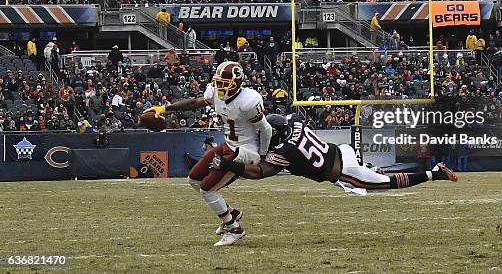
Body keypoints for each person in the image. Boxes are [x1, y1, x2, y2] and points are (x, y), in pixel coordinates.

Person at [144, 61, 272, 246]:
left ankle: (234, 228)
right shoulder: (215, 93)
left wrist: (263, 156)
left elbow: (265, 129)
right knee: (194, 179)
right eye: (218, 82)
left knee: (207, 189)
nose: (219, 87)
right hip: (229, 145)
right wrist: (165, 108)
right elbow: (195, 102)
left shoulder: (248, 101)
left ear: (237, 83)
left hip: (245, 151)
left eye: (224, 83)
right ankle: (231, 213)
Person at [214, 114, 457, 196]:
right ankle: (372, 170)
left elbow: (257, 173)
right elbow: (289, 120)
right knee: (373, 176)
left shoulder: (285, 151)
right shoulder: (295, 122)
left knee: (386, 184)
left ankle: (434, 173)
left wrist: (227, 164)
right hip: (343, 151)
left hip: (344, 172)